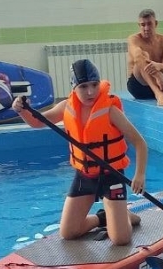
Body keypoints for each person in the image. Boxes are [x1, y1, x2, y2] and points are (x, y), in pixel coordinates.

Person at [13, 59, 147, 246]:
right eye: (83, 86)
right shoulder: (66, 107)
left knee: (121, 240)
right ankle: (103, 217)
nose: (90, 91)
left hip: (112, 177)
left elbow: (140, 143)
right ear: (74, 87)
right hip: (85, 177)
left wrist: (139, 175)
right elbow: (37, 122)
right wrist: (22, 110)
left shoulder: (110, 110)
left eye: (94, 85)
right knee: (68, 232)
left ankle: (123, 217)